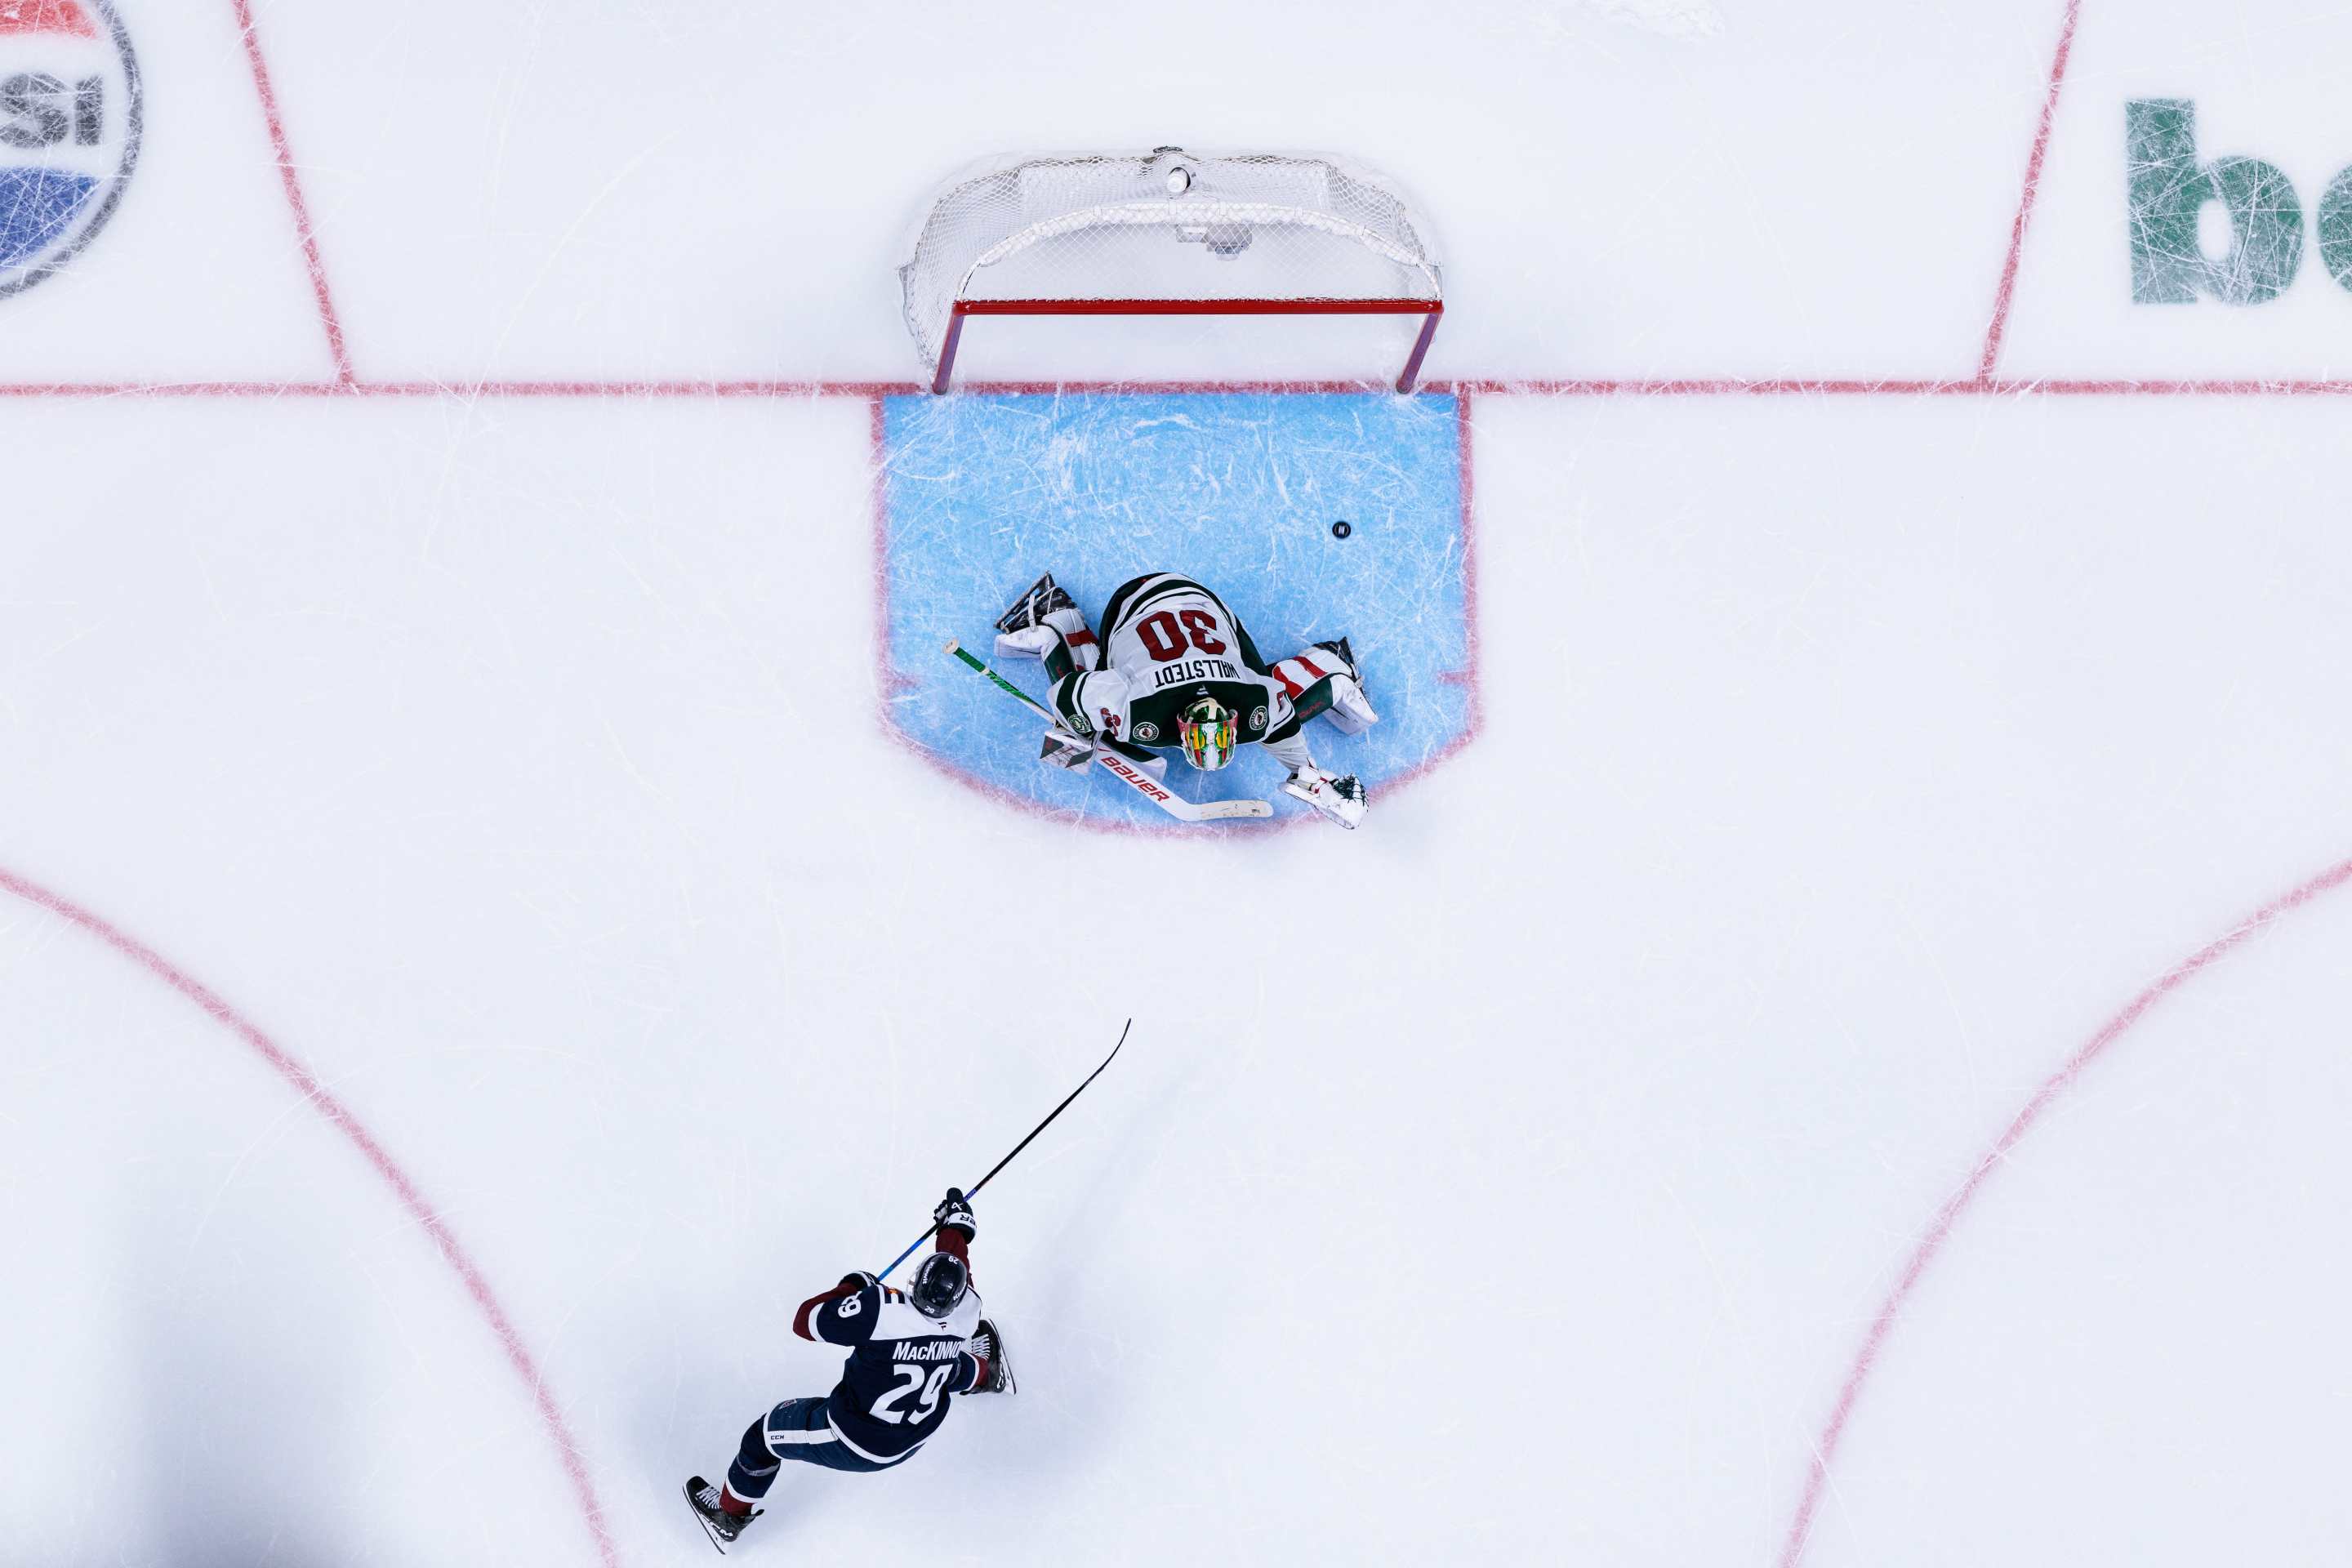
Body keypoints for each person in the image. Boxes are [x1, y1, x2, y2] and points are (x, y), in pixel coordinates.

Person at [684, 1189, 1010, 1552]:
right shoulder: (967, 1309)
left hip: (860, 1442)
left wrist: (855, 1285)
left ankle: (728, 1518)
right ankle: (988, 1374)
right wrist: (957, 1231)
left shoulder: (881, 1311)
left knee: (762, 1437)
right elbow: (955, 1262)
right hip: (920, 1429)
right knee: (947, 1364)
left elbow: (805, 1321)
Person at [992, 571, 1379, 828]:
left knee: (1267, 691)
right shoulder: (1137, 709)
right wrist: (1075, 734)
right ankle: (1057, 619)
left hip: (1203, 603)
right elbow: (1067, 695)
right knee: (1106, 733)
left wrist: (1309, 773)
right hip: (1135, 602)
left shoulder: (1252, 702)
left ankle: (1331, 666)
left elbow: (1279, 722)